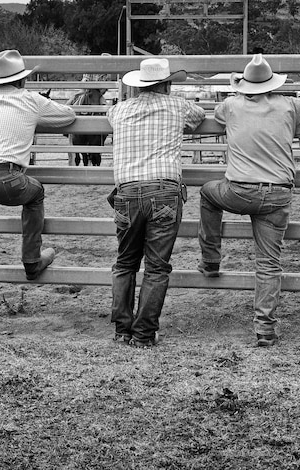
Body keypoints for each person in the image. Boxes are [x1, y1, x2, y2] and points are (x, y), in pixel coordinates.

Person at [197, 54, 300, 347]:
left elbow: (220, 115)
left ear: (244, 84)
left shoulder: (231, 105)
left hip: (239, 192)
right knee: (269, 264)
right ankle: (265, 330)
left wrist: (236, 87)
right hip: (277, 194)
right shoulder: (289, 105)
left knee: (208, 192)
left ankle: (210, 260)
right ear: (273, 84)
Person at [0, 49, 76, 348]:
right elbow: (68, 116)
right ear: (22, 80)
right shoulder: (30, 100)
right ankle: (31, 260)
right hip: (9, 178)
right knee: (35, 192)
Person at [107, 58, 205, 348]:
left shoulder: (119, 110)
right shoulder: (177, 106)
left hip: (127, 193)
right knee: (156, 266)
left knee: (125, 262)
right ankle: (144, 333)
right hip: (163, 190)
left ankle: (122, 329)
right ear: (168, 84)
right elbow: (198, 115)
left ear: (137, 86)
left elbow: (109, 116)